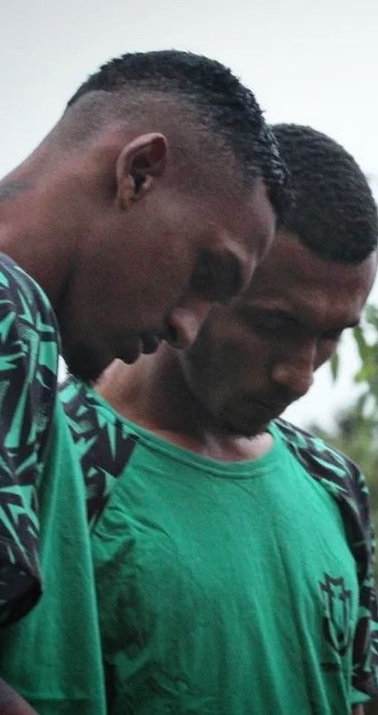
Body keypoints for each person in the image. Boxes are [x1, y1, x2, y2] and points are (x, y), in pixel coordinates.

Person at [60, 123, 378, 714]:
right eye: (276, 325)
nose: (301, 374)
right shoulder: (51, 464)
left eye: (330, 336)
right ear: (201, 278)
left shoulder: (331, 482)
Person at [0, 50, 288, 714]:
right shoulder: (8, 314)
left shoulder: (52, 381)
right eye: (205, 272)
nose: (187, 328)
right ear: (139, 172)